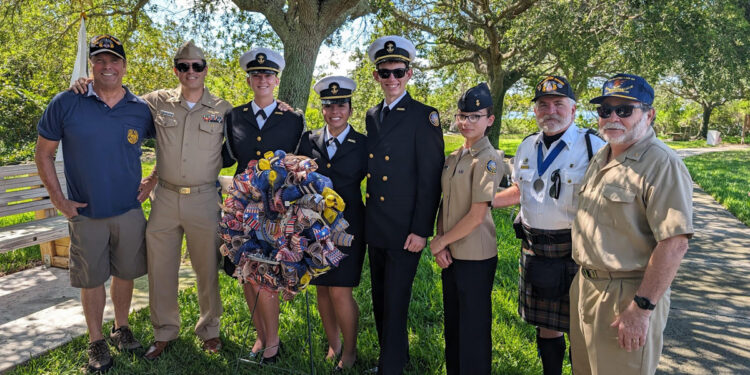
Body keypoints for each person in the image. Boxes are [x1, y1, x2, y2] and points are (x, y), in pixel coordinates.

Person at [70, 40, 233, 359]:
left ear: (205, 69)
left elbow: (249, 135)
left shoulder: (222, 109)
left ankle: (209, 330)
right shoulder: (156, 102)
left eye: (197, 66)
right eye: (184, 66)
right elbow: (117, 99)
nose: (191, 72)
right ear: (176, 70)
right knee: (160, 269)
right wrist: (90, 82)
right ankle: (165, 331)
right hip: (166, 199)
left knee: (206, 267)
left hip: (204, 198)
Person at [35, 34, 154, 373]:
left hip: (130, 211)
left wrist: (154, 179)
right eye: (99, 60)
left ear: (124, 67)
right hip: (85, 212)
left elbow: (170, 145)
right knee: (92, 279)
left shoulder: (140, 108)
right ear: (91, 66)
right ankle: (96, 341)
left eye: (114, 60)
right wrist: (59, 200)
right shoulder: (66, 103)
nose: (107, 66)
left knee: (126, 273)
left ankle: (121, 327)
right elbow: (44, 153)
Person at [570, 74, 693, 375]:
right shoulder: (603, 154)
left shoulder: (661, 163)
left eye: (624, 110)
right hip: (586, 287)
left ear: (649, 114)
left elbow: (674, 242)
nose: (613, 117)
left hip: (627, 295)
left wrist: (641, 308)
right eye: (605, 110)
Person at [491, 75, 605, 374]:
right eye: (543, 105)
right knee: (546, 326)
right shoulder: (527, 145)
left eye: (558, 104)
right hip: (536, 249)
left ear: (574, 109)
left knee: (582, 327)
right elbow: (520, 191)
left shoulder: (593, 145)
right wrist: (482, 200)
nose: (550, 111)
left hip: (577, 252)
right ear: (535, 111)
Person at [364, 35, 444, 374]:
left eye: (398, 72)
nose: (392, 79)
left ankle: (391, 367)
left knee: (396, 300)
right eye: (385, 73)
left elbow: (430, 179)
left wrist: (420, 230)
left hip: (404, 228)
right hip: (377, 224)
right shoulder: (372, 115)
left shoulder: (424, 117)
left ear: (409, 74)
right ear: (376, 77)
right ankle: (393, 357)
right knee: (380, 298)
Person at [221, 47, 305, 364]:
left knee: (266, 275)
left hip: (275, 211)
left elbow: (302, 162)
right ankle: (260, 335)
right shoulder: (234, 117)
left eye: (268, 74)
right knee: (245, 271)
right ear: (249, 79)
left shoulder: (293, 120)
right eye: (256, 74)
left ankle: (272, 343)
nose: (262, 79)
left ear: (276, 79)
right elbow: (226, 158)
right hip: (242, 208)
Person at [430, 83, 504, 374]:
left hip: (476, 255)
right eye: (463, 116)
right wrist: (441, 242)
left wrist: (440, 242)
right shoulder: (454, 157)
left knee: (473, 331)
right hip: (451, 253)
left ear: (490, 120)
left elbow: (477, 215)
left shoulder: (488, 159)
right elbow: (444, 203)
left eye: (475, 116)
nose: (467, 122)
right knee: (454, 327)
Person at [297, 76, 367, 371]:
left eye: (341, 105)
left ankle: (349, 352)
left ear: (350, 108)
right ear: (322, 108)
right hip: (314, 227)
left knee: (341, 290)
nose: (334, 111)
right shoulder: (307, 140)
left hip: (348, 228)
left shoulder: (363, 144)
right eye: (329, 105)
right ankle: (333, 344)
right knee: (322, 288)